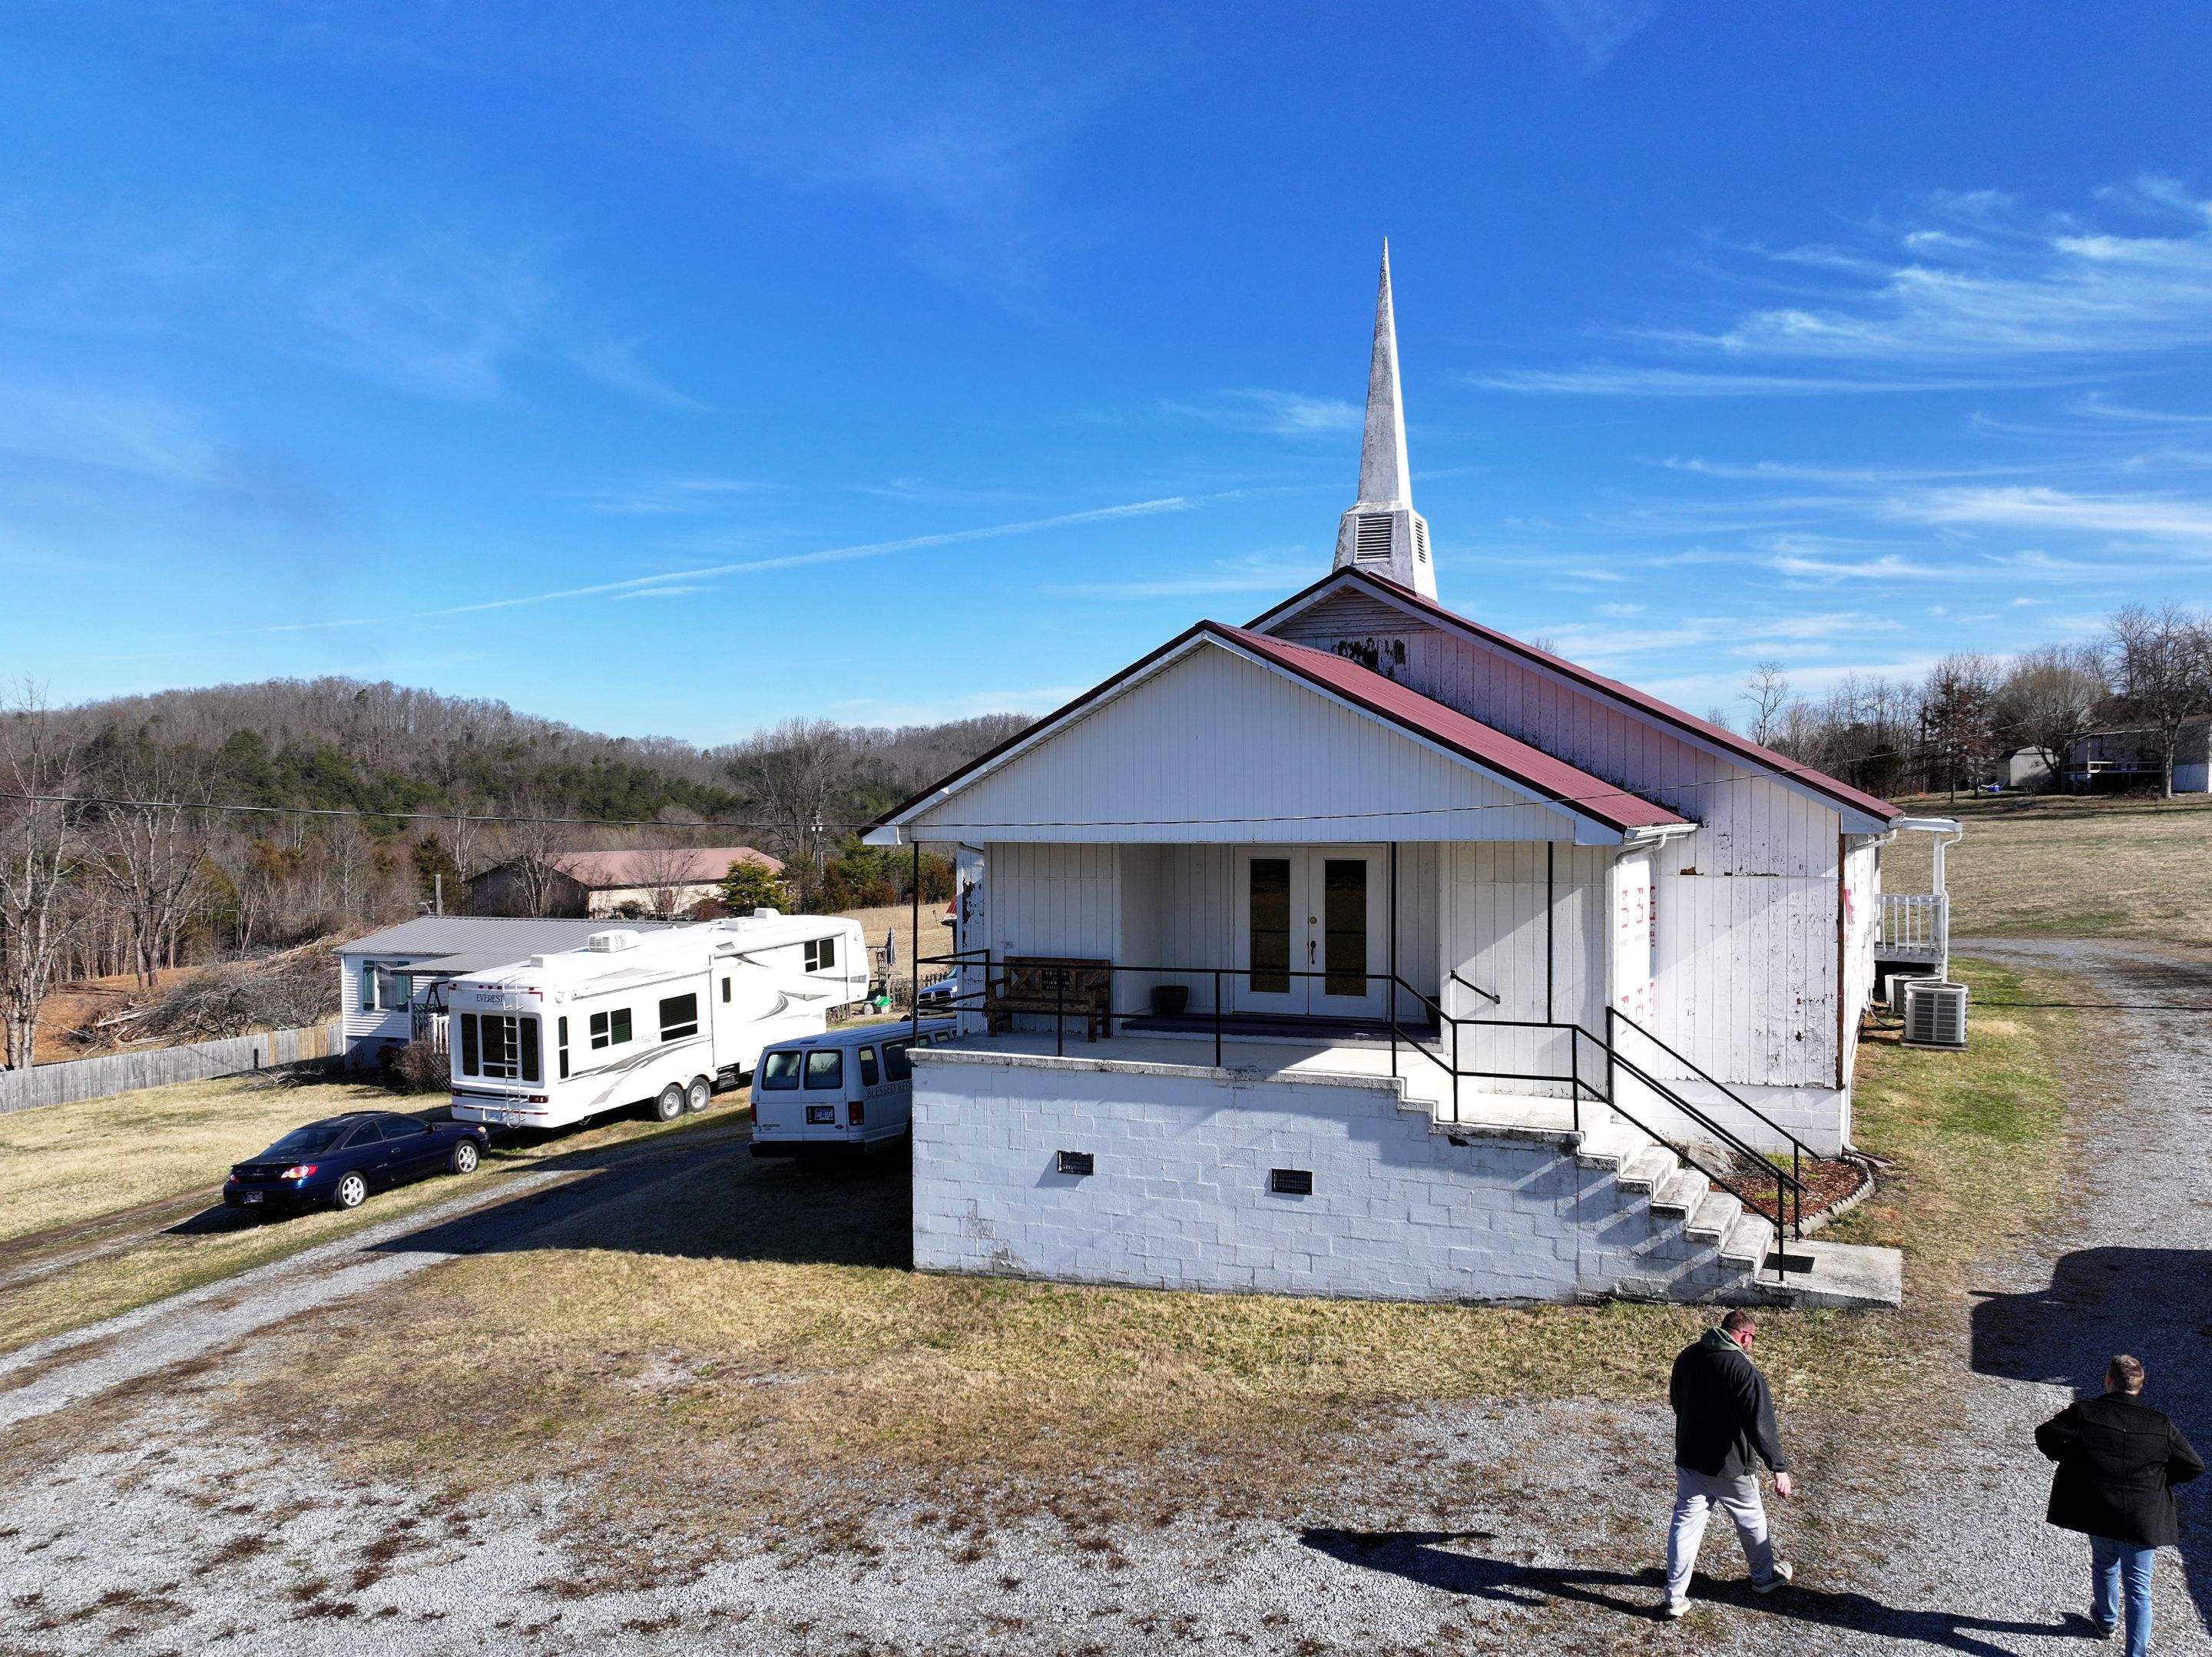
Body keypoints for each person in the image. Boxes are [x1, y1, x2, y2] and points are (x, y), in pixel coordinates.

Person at [2035, 1354, 2203, 1655]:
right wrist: (2158, 1481)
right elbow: (2193, 1466)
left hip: (2100, 1508)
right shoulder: (2160, 1424)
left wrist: (2076, 1463)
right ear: (2140, 1386)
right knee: (2139, 1590)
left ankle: (2106, 1619)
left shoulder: (2086, 1412)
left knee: (2104, 1563)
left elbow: (2046, 1434)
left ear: (2108, 1381)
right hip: (2142, 1516)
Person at [1664, 1307, 1795, 1618]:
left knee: (1685, 1526)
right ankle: (1764, 1578)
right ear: (1746, 1336)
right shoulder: (1742, 1370)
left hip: (1690, 1460)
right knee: (1751, 1519)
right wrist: (1778, 1467)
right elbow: (1760, 1423)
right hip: (1731, 1467)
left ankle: (1674, 1597)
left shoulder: (1688, 1355)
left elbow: (1676, 1399)